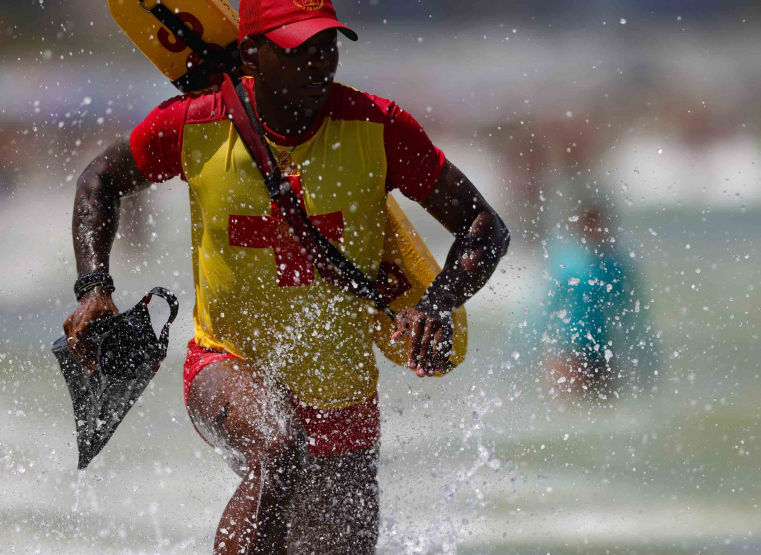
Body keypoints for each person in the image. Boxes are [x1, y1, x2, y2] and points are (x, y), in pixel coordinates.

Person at [62, 1, 509, 553]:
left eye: (328, 45)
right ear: (251, 53)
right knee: (277, 448)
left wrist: (436, 304)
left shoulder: (378, 126)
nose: (319, 62)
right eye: (299, 48)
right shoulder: (195, 124)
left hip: (343, 393)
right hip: (225, 363)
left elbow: (484, 225)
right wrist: (94, 290)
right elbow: (99, 180)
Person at [543, 206, 655, 399]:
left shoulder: (618, 267)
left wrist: (644, 355)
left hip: (605, 350)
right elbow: (548, 310)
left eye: (601, 225)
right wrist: (543, 353)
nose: (597, 231)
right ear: (581, 229)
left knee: (603, 417)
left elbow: (632, 314)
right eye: (591, 226)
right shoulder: (566, 264)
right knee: (570, 414)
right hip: (570, 350)